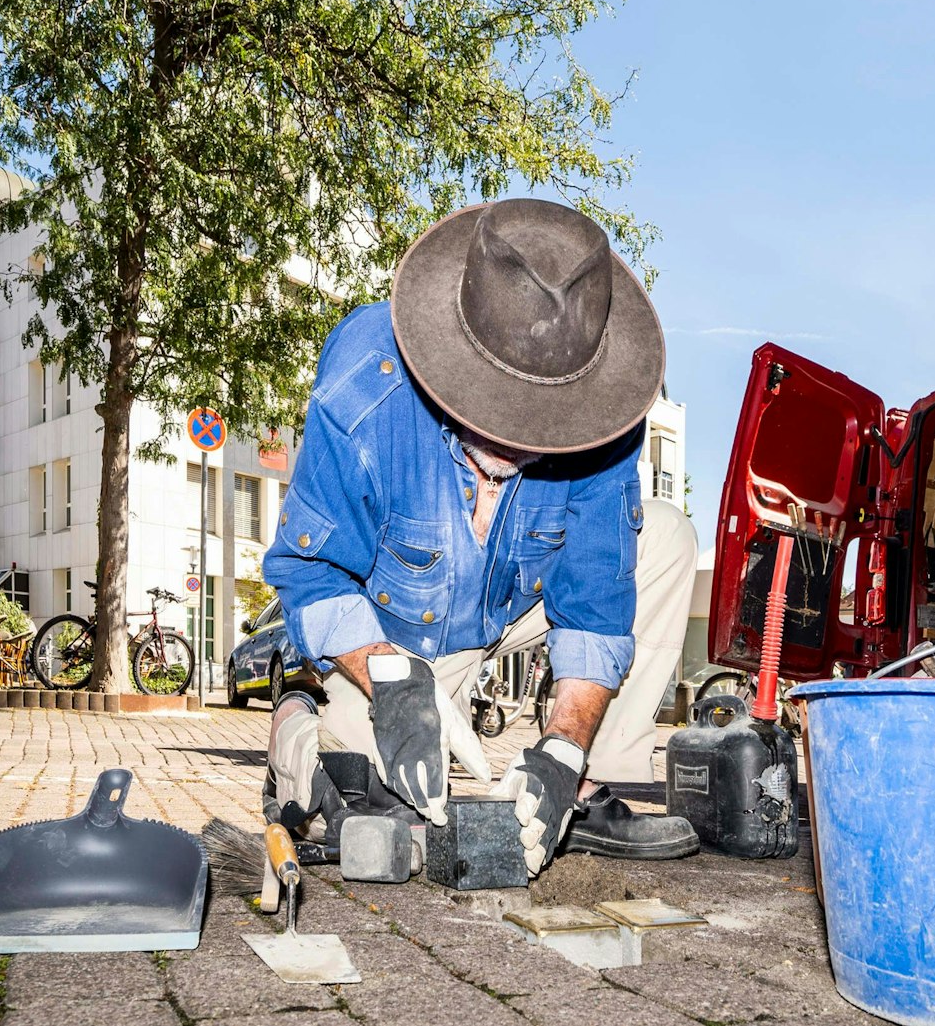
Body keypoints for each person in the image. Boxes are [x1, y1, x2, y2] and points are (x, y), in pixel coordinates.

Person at [263, 198, 699, 877]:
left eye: (542, 418)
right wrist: (391, 680)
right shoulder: (364, 384)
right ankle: (296, 719)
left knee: (667, 537)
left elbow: (595, 601)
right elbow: (308, 570)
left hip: (514, 604)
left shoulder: (609, 421)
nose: (512, 435)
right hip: (391, 633)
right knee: (365, 801)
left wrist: (564, 747)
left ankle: (580, 789)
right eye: (495, 406)